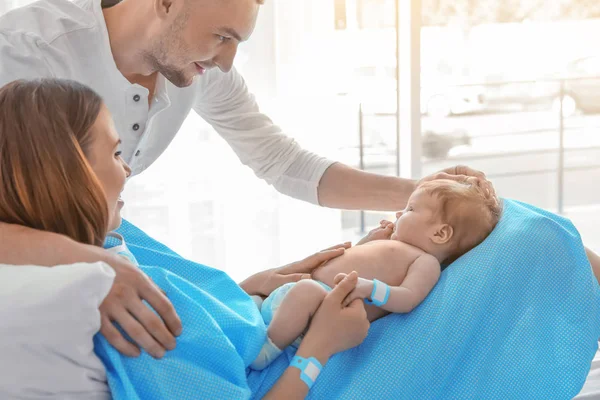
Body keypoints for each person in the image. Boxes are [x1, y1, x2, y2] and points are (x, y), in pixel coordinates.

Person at [0, 0, 493, 358]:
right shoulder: (24, 54)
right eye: (222, 35)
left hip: (104, 251)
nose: (227, 59)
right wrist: (90, 268)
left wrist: (432, 197)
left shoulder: (196, 68)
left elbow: (284, 162)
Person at [0, 78, 371, 398]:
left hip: (270, 330)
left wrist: (242, 292)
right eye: (115, 153)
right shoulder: (123, 304)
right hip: (303, 371)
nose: (127, 168)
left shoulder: (113, 240)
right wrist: (319, 348)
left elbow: (194, 326)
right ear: (70, 174)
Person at [250, 178, 502, 369]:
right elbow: (355, 261)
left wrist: (370, 289)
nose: (399, 214)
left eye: (410, 210)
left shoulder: (425, 262)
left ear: (440, 234)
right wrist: (368, 241)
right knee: (256, 297)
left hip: (318, 312)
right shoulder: (397, 245)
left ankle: (266, 351)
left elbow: (407, 297)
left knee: (306, 291)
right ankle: (256, 316)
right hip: (293, 297)